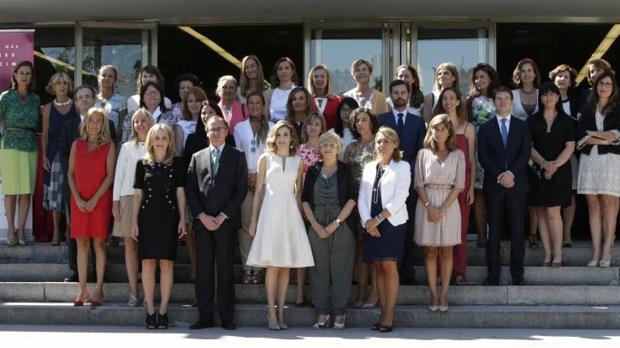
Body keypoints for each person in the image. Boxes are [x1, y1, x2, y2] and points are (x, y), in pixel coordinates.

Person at [246, 120, 314, 331]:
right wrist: (253, 219)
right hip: (270, 212)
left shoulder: (298, 161)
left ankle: (281, 312)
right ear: (273, 137)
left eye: (286, 134)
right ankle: (271, 311)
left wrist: (300, 219)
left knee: (286, 266)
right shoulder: (265, 158)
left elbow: (298, 192)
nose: (282, 138)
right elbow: (258, 192)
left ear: (291, 137)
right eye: (279, 134)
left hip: (290, 214)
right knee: (273, 265)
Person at [187, 116, 248, 330]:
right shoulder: (197, 157)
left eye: (220, 129)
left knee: (224, 270)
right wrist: (201, 216)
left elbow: (240, 190)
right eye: (212, 129)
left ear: (226, 131)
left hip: (226, 222)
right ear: (206, 131)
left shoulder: (237, 156)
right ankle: (204, 316)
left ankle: (226, 317)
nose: (216, 132)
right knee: (203, 270)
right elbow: (191, 191)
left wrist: (223, 215)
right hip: (203, 222)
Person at [59, 85, 116, 282]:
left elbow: (110, 167)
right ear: (75, 102)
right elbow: (66, 161)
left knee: (100, 239)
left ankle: (100, 275)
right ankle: (77, 273)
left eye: (87, 97)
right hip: (76, 189)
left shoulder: (109, 128)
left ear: (94, 99)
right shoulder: (68, 127)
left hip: (100, 192)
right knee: (77, 237)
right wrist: (76, 192)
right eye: (80, 97)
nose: (84, 100)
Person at [132, 124, 186, 329]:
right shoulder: (142, 164)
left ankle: (163, 310)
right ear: (151, 141)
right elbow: (138, 194)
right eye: (157, 138)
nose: (161, 141)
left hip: (169, 217)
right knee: (147, 263)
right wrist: (134, 221)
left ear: (170, 141)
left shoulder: (177, 163)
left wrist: (182, 219)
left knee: (166, 263)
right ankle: (150, 310)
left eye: (164, 138)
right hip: (147, 217)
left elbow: (180, 193)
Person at [302, 132, 357, 330]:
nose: (327, 148)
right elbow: (305, 200)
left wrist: (336, 223)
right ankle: (322, 312)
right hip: (316, 223)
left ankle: (340, 312)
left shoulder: (345, 170)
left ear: (339, 148)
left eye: (331, 145)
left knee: (341, 269)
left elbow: (352, 198)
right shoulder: (313, 171)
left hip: (341, 224)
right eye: (324, 144)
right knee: (318, 270)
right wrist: (316, 226)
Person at [358, 126, 410, 332]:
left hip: (392, 222)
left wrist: (377, 220)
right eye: (379, 141)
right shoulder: (369, 166)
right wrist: (366, 222)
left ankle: (389, 316)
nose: (382, 145)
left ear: (395, 144)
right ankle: (381, 314)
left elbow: (401, 197)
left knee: (389, 267)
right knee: (377, 267)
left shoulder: (402, 166)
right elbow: (362, 196)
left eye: (387, 141)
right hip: (371, 223)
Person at [478, 87, 531, 286]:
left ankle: (518, 275)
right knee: (494, 233)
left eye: (505, 98)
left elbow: (525, 153)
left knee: (518, 231)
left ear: (512, 102)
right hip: (494, 185)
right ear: (493, 102)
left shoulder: (522, 126)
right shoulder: (486, 128)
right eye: (498, 98)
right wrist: (500, 175)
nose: (502, 102)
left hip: (517, 185)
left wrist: (511, 173)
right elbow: (483, 156)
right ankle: (493, 275)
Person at [414, 114, 465, 312]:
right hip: (426, 202)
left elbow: (459, 185)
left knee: (446, 250)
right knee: (430, 251)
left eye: (443, 129)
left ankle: (444, 293)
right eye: (435, 129)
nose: (439, 132)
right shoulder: (422, 154)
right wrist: (430, 207)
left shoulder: (458, 154)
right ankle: (433, 293)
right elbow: (418, 183)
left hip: (449, 204)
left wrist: (441, 209)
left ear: (449, 131)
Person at [378, 80, 426, 285]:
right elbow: (378, 149)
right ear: (391, 95)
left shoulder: (418, 122)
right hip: (386, 182)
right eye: (396, 92)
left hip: (410, 182)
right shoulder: (381, 119)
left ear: (409, 94)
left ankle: (407, 270)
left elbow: (421, 152)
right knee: (387, 225)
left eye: (403, 92)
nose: (400, 95)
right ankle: (389, 268)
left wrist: (405, 171)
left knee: (407, 226)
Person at [67, 107, 115, 307]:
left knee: (99, 244)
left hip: (100, 200)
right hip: (78, 200)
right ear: (85, 123)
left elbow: (110, 175)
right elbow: (70, 173)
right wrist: (77, 198)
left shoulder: (109, 145)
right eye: (91, 120)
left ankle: (98, 289)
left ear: (103, 125)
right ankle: (82, 289)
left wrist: (95, 199)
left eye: (98, 121)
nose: (94, 124)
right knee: (81, 244)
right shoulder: (76, 144)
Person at [528, 82, 575, 267]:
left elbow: (570, 146)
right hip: (537, 169)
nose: (548, 98)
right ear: (540, 98)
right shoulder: (532, 120)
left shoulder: (567, 121)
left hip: (561, 170)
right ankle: (547, 253)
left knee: (553, 212)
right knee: (540, 211)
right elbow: (528, 146)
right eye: (545, 95)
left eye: (552, 95)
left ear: (558, 97)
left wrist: (554, 165)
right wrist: (544, 164)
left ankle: (558, 253)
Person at [432, 87, 476, 283]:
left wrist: (472, 188)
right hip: (440, 185)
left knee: (460, 229)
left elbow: (472, 160)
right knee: (441, 228)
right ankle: (441, 272)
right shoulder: (435, 127)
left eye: (452, 98)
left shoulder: (468, 128)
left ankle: (459, 271)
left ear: (459, 102)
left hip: (462, 184)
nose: (448, 102)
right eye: (445, 98)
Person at [577, 71, 620, 268]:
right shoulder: (586, 108)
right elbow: (580, 136)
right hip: (589, 160)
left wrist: (592, 135)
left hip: (611, 160)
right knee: (593, 205)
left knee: (608, 204)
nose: (604, 87)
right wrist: (605, 136)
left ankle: (607, 250)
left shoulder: (618, 108)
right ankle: (595, 250)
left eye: (608, 84)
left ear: (613, 88)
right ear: (595, 86)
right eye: (601, 83)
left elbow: (616, 136)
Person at [112, 109, 153, 307]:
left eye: (144, 121)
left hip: (151, 200)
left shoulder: (158, 144)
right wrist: (115, 203)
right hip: (128, 197)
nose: (140, 125)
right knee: (130, 245)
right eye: (136, 122)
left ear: (150, 123)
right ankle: (133, 290)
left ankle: (148, 291)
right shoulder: (127, 147)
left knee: (149, 247)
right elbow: (119, 175)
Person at [234, 92, 274, 285]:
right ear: (246, 106)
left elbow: (275, 156)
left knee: (263, 225)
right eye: (251, 103)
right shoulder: (239, 127)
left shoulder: (273, 127)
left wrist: (260, 175)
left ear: (264, 105)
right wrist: (248, 176)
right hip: (245, 180)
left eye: (258, 102)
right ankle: (248, 268)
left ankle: (260, 268)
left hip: (267, 181)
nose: (255, 105)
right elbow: (237, 155)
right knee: (245, 227)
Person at [0, 61, 41, 246]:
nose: (24, 76)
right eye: (21, 73)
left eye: (28, 73)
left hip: (30, 145)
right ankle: (10, 229)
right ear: (15, 75)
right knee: (10, 191)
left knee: (26, 192)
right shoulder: (6, 97)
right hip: (10, 144)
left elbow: (39, 124)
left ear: (31, 77)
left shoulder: (36, 99)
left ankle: (22, 229)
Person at [343, 107, 379, 308]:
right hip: (355, 203)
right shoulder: (351, 148)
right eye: (357, 121)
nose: (360, 123)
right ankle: (361, 291)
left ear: (371, 121)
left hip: (374, 202)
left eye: (364, 119)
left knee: (373, 250)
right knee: (359, 250)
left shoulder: (379, 144)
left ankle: (375, 292)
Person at [41, 72, 79, 246]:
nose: (62, 86)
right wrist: (43, 156)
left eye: (65, 83)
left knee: (71, 193)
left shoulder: (76, 106)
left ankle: (70, 230)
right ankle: (57, 230)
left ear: (69, 86)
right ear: (53, 87)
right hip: (54, 154)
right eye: (58, 83)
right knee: (55, 194)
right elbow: (45, 135)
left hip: (73, 154)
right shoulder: (47, 108)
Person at [467, 63, 500, 248]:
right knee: (478, 193)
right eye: (476, 78)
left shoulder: (500, 97)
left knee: (495, 194)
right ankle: (481, 236)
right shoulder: (470, 100)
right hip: (477, 148)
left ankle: (494, 234)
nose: (479, 81)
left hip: (495, 149)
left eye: (482, 77)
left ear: (490, 77)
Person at [295, 112, 326, 306]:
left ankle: (318, 293)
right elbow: (296, 181)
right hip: (302, 201)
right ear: (305, 128)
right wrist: (298, 204)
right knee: (301, 249)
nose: (313, 127)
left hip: (323, 202)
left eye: (317, 124)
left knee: (319, 250)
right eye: (310, 124)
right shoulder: (298, 150)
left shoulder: (327, 148)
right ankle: (299, 292)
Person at [549, 64, 581, 247]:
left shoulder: (576, 103)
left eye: (566, 76)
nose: (562, 79)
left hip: (569, 155)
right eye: (559, 76)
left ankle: (567, 234)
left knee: (569, 196)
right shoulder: (545, 99)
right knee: (550, 197)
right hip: (548, 157)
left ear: (571, 82)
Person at [512, 58, 542, 248]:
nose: (527, 74)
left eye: (530, 70)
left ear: (535, 73)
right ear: (518, 74)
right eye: (523, 71)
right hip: (518, 150)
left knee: (537, 195)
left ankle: (534, 232)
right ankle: (519, 232)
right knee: (520, 194)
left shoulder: (543, 94)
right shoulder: (512, 95)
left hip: (541, 150)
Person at [136, 81, 183, 156]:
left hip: (164, 156)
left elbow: (175, 140)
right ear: (142, 98)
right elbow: (125, 141)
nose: (152, 95)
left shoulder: (172, 116)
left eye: (155, 92)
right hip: (137, 155)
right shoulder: (133, 116)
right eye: (148, 93)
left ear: (161, 97)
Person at [95, 65, 127, 138]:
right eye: (104, 75)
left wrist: (114, 141)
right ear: (98, 78)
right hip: (94, 143)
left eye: (110, 76)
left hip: (114, 142)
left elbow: (122, 124)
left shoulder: (121, 100)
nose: (107, 78)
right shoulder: (93, 99)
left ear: (115, 80)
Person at [308, 64, 341, 130]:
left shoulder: (337, 101)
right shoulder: (307, 100)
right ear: (312, 80)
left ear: (327, 79)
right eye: (316, 76)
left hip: (331, 138)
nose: (319, 79)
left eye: (322, 76)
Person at [266, 57, 298, 121]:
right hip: (273, 129)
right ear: (276, 73)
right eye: (280, 69)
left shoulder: (299, 91)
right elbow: (266, 117)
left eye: (287, 68)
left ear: (292, 71)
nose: (283, 71)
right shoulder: (270, 93)